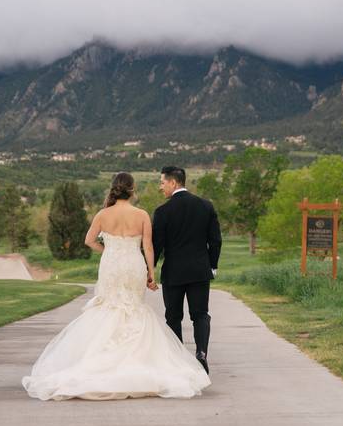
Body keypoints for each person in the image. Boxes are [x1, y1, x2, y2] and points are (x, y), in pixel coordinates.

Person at [21, 172, 210, 401]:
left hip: (111, 265)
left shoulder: (103, 214)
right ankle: (137, 362)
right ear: (132, 190)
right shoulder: (141, 215)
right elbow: (148, 247)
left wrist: (108, 251)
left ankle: (101, 361)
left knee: (109, 306)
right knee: (133, 307)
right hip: (133, 265)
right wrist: (151, 273)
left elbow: (88, 240)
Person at [151, 166, 222, 374]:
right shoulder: (205, 206)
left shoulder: (163, 212)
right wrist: (213, 265)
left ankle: (179, 358)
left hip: (173, 273)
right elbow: (215, 240)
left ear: (173, 183)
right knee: (200, 314)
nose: (161, 187)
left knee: (173, 317)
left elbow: (157, 246)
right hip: (200, 271)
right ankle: (201, 353)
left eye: (162, 183)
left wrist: (149, 270)